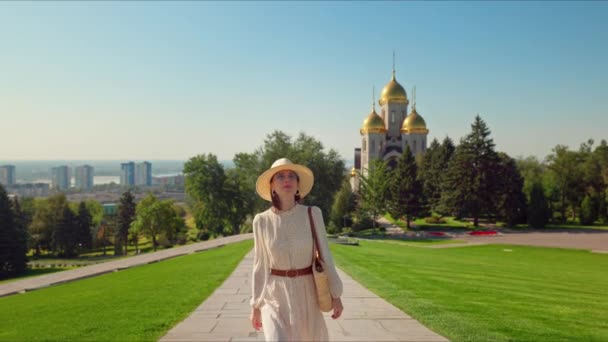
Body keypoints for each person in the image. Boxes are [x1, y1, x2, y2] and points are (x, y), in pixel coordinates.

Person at [250, 158, 344, 341]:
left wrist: (335, 295)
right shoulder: (261, 221)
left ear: (298, 185)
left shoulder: (312, 214)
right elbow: (259, 265)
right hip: (275, 296)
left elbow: (325, 256)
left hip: (307, 293)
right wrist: (256, 305)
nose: (287, 180)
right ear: (272, 186)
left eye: (291, 176)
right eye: (281, 176)